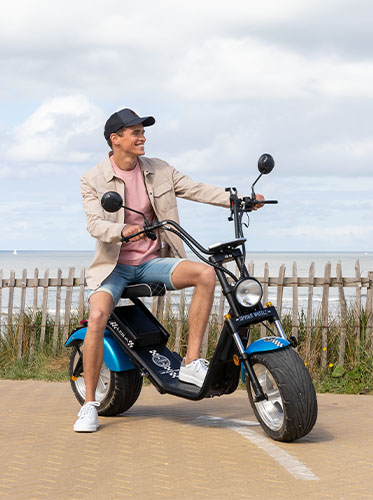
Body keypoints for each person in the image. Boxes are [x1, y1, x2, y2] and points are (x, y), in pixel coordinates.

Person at [74, 108, 264, 432]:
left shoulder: (159, 169)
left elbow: (196, 188)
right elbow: (95, 222)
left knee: (206, 273)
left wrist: (238, 199)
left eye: (143, 131)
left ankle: (190, 363)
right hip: (114, 267)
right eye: (135, 132)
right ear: (115, 139)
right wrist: (120, 232)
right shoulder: (92, 179)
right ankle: (90, 405)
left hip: (152, 261)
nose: (142, 137)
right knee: (97, 318)